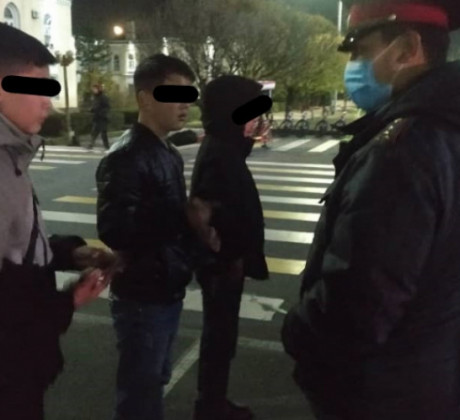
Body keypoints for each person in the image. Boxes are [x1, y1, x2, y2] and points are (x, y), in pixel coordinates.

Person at [281, 1, 460, 419]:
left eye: (362, 52)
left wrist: (296, 331)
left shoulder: (402, 151)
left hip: (380, 391)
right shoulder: (447, 128)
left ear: (406, 49)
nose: (354, 68)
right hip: (430, 376)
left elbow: (357, 308)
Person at [0, 23, 117, 419]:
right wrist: (67, 301)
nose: (48, 104)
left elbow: (18, 248)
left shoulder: (12, 154)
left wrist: (70, 253)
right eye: (38, 90)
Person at [96, 54, 196, 420]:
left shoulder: (168, 152)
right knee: (141, 391)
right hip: (142, 296)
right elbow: (115, 228)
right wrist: (182, 217)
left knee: (154, 381)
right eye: (174, 94)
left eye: (188, 96)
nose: (184, 105)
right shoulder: (126, 156)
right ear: (144, 98)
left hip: (166, 286)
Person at [188, 75, 269, 420]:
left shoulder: (225, 146)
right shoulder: (220, 153)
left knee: (222, 337)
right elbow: (213, 214)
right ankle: (211, 406)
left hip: (225, 264)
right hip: (221, 266)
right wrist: (229, 256)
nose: (255, 121)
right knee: (219, 338)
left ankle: (213, 401)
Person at [88, 83, 110, 150]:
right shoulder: (95, 97)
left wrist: (101, 112)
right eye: (93, 89)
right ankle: (91, 144)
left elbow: (107, 107)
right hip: (96, 117)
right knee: (94, 132)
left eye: (95, 89)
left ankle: (106, 146)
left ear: (98, 89)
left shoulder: (103, 97)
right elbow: (95, 106)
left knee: (103, 133)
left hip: (102, 118)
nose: (93, 90)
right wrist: (92, 109)